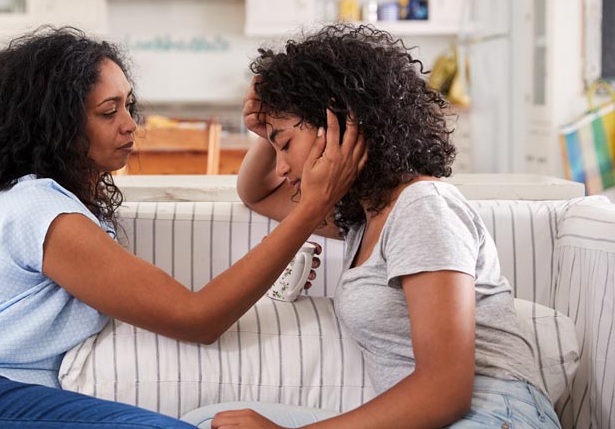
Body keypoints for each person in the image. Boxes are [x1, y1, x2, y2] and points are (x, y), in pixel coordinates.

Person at [0, 26, 366, 429]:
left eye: (128, 105)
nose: (130, 124)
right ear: (55, 124)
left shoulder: (66, 208)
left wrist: (263, 137)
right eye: (109, 112)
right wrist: (309, 208)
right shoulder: (40, 210)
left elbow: (254, 195)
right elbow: (198, 319)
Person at [222, 24, 560, 429]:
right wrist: (269, 132)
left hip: (496, 413)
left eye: (286, 145)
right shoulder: (364, 219)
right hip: (445, 417)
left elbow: (445, 392)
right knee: (215, 422)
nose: (280, 167)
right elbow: (256, 194)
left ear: (340, 123)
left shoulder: (422, 208)